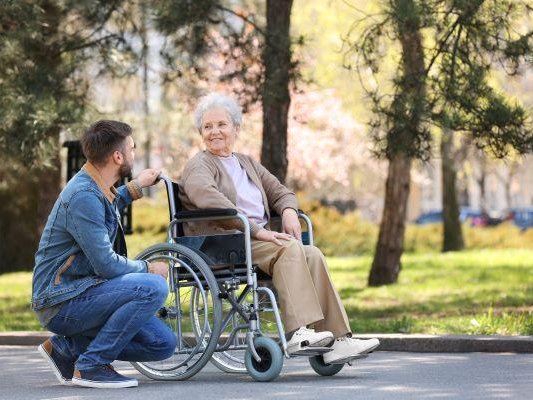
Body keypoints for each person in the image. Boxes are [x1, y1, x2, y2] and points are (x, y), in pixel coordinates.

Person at [179, 93, 380, 364]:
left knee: (312, 254)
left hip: (255, 240)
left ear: (235, 129)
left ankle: (338, 339)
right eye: (207, 126)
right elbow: (209, 200)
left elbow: (280, 191)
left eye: (221, 125)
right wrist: (257, 230)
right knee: (288, 249)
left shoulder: (246, 162)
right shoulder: (198, 165)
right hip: (225, 242)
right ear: (201, 132)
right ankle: (298, 332)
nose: (215, 131)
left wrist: (288, 211)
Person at [31, 120, 175, 388]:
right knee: (152, 287)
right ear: (117, 156)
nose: (134, 154)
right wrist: (147, 268)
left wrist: (136, 187)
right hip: (61, 301)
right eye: (131, 149)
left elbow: (106, 206)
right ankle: (91, 366)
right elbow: (107, 265)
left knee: (162, 344)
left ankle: (67, 349)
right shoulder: (83, 195)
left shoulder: (94, 188)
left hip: (83, 292)